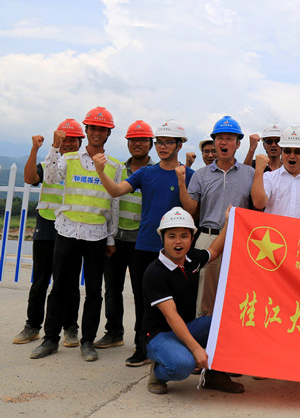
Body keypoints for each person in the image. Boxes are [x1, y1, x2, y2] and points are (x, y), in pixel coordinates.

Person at [93, 119, 194, 366]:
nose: (162, 147)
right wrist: (100, 171)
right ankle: (143, 347)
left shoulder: (190, 175)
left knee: (179, 302)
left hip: (176, 250)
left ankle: (177, 347)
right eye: (159, 142)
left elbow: (193, 210)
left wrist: (182, 180)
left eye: (168, 142)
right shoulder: (146, 173)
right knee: (143, 300)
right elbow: (116, 191)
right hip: (146, 245)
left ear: (179, 145)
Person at [31, 107, 122, 362]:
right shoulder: (69, 158)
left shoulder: (114, 165)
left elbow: (114, 202)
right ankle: (50, 339)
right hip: (67, 230)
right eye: (93, 128)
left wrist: (111, 237)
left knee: (93, 291)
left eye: (102, 129)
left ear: (108, 134)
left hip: (96, 235)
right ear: (87, 131)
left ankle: (87, 341)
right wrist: (54, 147)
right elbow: (50, 178)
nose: (97, 133)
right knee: (59, 287)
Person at [143, 206, 244, 395]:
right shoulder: (155, 273)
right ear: (162, 238)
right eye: (171, 236)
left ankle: (214, 375)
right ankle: (158, 372)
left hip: (188, 327)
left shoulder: (192, 258)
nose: (178, 241)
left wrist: (228, 223)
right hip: (159, 335)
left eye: (184, 235)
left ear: (192, 237)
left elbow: (214, 251)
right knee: (183, 365)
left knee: (226, 325)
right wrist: (196, 349)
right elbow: (172, 316)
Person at [13, 120, 83, 346]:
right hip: (47, 226)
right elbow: (29, 178)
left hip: (72, 228)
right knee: (40, 280)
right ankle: (33, 326)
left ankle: (70, 328)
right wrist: (35, 149)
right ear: (57, 141)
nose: (68, 144)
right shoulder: (48, 163)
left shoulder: (83, 167)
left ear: (80, 142)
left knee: (70, 282)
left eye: (73, 140)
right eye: (64, 139)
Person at [177, 115, 254, 316]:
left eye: (229, 138)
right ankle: (205, 333)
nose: (223, 142)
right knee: (205, 295)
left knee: (237, 292)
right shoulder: (201, 174)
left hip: (238, 239)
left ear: (238, 144)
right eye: (219, 138)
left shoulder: (250, 174)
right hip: (208, 238)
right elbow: (190, 209)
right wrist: (181, 183)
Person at [94, 120, 156, 366]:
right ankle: (114, 332)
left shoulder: (156, 171)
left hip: (143, 242)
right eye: (133, 140)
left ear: (151, 144)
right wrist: (109, 237)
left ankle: (143, 340)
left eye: (142, 140)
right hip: (117, 239)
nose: (137, 144)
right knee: (112, 288)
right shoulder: (118, 169)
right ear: (128, 143)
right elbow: (109, 203)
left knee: (142, 293)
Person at [251, 125, 300, 221]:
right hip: (274, 230)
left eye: (297, 152)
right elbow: (259, 204)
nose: (292, 156)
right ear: (282, 152)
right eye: (287, 151)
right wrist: (259, 170)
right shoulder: (269, 178)